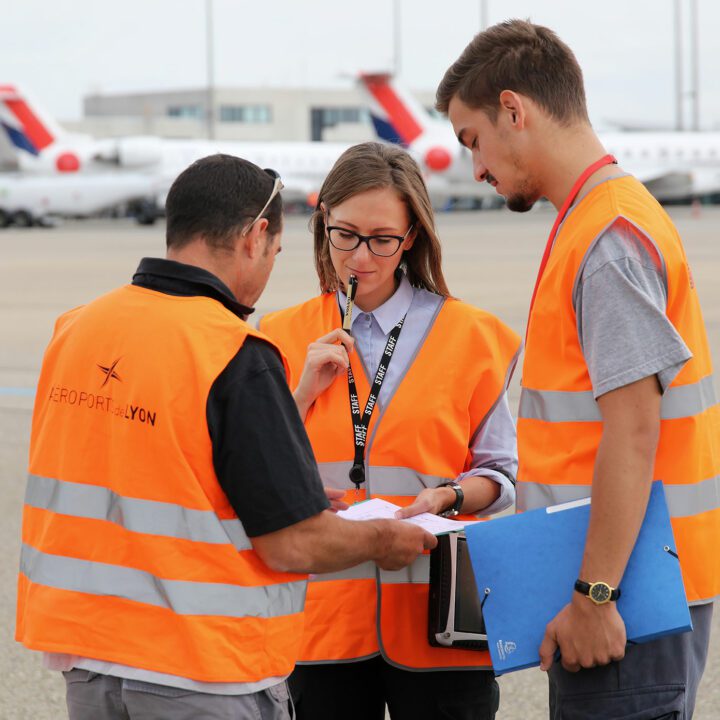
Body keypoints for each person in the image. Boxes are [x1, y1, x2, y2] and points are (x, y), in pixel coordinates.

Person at [16, 153, 437, 720]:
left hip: (89, 660)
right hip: (200, 670)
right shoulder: (233, 351)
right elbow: (293, 544)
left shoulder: (76, 328)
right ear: (256, 236)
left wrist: (282, 486)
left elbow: (154, 466)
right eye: (276, 252)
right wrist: (386, 540)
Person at [436, 19, 720, 719]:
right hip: (636, 580)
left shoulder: (607, 238)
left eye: (473, 140)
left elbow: (633, 430)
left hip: (629, 598)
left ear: (514, 109)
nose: (474, 168)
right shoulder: (596, 219)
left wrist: (594, 596)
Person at [259, 141, 521, 720]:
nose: (361, 257)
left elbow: (501, 475)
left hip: (441, 622)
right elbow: (256, 476)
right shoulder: (277, 338)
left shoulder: (473, 335)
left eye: (382, 239)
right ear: (322, 221)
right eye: (344, 233)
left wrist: (448, 496)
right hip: (320, 624)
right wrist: (298, 395)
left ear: (412, 238)